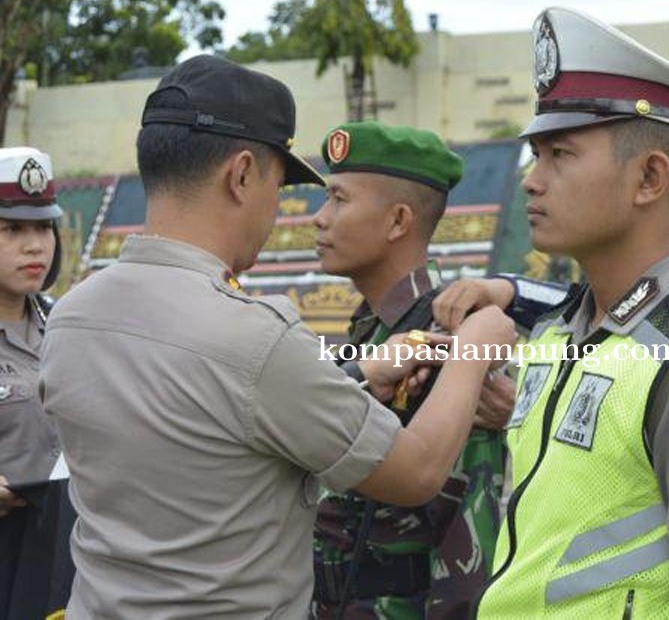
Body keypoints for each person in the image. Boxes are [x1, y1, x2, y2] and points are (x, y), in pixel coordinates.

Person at [39, 55, 514, 619]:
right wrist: (477, 341)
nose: (293, 212)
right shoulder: (253, 336)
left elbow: (211, 416)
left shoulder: (70, 316)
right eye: (280, 184)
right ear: (241, 174)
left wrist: (360, 373)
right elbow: (416, 473)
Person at [436, 8, 669, 619]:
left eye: (559, 154)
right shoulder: (556, 332)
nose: (531, 181)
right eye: (534, 154)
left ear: (650, 177)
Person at [310, 121, 511, 618]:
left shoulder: (449, 339)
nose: (319, 219)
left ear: (398, 220)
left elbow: (470, 533)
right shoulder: (372, 332)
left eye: (338, 199)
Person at [0, 146, 73, 619]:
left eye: (43, 226)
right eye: (12, 229)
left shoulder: (67, 323)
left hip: (64, 559)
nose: (35, 246)